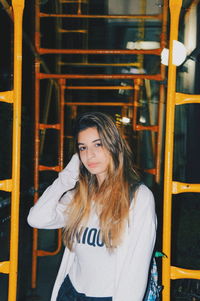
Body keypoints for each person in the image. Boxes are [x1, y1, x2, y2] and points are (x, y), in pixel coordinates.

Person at [27, 112, 157, 301]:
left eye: (98, 144)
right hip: (70, 292)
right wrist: (65, 179)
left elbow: (135, 270)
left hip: (108, 296)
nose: (90, 155)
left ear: (113, 145)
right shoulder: (80, 196)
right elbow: (36, 218)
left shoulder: (138, 197)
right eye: (83, 148)